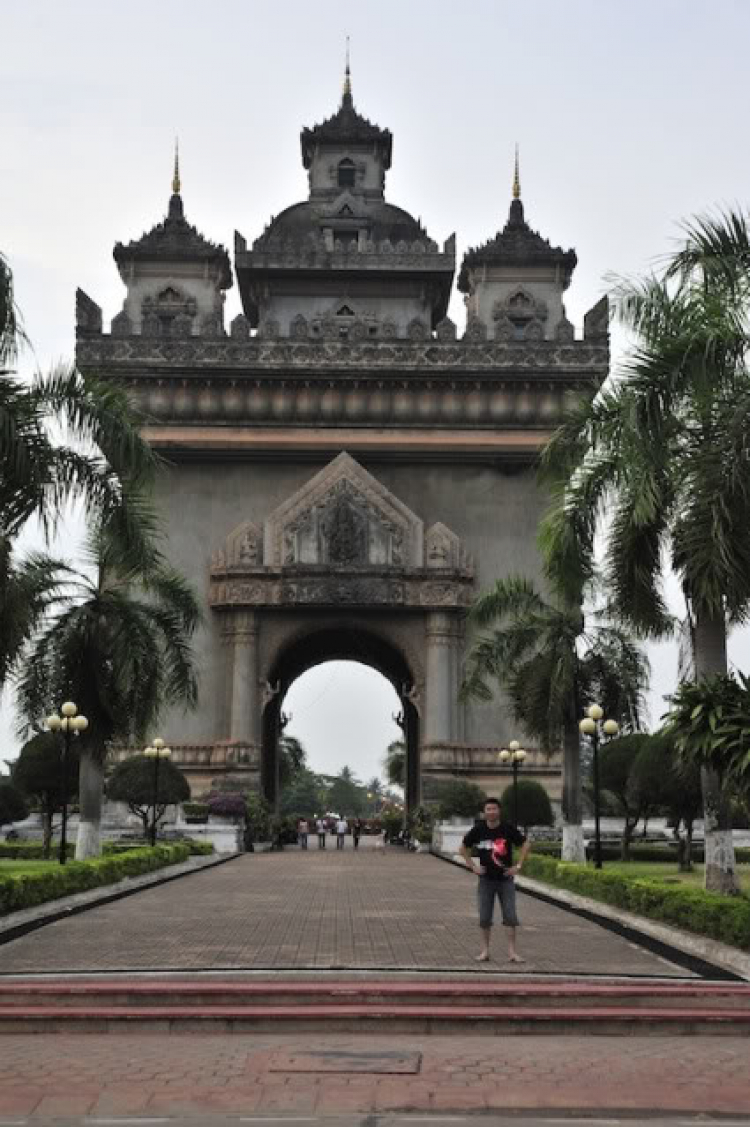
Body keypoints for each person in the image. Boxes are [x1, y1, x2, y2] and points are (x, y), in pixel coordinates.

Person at [459, 796, 530, 964]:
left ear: (499, 811)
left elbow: (526, 844)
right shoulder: (478, 830)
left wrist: (518, 866)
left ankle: (512, 952)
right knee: (484, 917)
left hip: (505, 879)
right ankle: (485, 951)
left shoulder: (507, 829)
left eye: (494, 809)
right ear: (484, 813)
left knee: (510, 916)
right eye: (488, 809)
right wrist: (472, 866)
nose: (491, 812)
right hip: (485, 880)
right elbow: (462, 848)